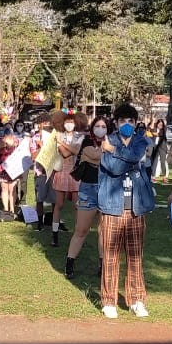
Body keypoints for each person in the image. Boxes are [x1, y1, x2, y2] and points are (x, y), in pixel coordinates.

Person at [97, 104, 156, 318]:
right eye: (123, 121)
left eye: (131, 121)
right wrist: (127, 158)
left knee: (135, 255)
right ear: (116, 122)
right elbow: (114, 168)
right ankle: (109, 301)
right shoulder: (108, 140)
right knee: (111, 256)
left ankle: (137, 300)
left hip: (136, 207)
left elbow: (136, 155)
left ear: (135, 122)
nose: (127, 124)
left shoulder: (140, 140)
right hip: (112, 205)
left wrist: (115, 152)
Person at [64, 116, 104, 279]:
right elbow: (93, 155)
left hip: (106, 190)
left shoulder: (112, 142)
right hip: (88, 188)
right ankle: (69, 263)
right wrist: (107, 152)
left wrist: (103, 154)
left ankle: (103, 265)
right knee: (81, 229)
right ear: (92, 128)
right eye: (97, 126)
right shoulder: (87, 141)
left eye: (104, 126)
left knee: (104, 230)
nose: (100, 129)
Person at [50, 111, 85, 247]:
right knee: (59, 204)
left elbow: (76, 151)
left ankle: (76, 235)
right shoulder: (58, 135)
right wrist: (67, 146)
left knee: (76, 206)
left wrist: (62, 143)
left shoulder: (80, 137)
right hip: (62, 172)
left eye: (71, 122)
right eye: (67, 122)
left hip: (75, 172)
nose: (69, 124)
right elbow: (65, 154)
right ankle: (54, 234)